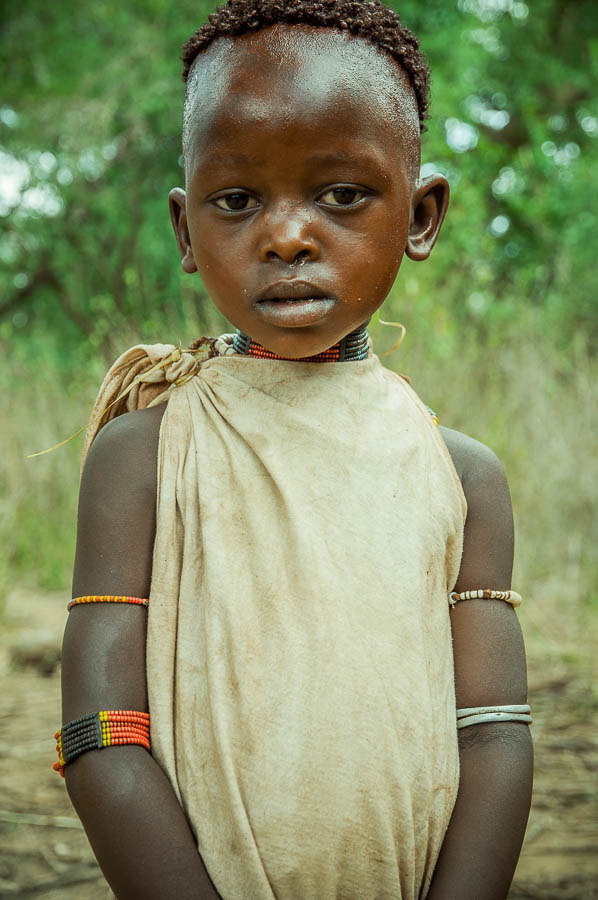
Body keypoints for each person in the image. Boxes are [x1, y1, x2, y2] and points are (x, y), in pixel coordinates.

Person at [57, 1, 533, 897]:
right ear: (185, 230)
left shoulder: (462, 477)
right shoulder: (147, 455)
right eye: (236, 200)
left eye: (341, 194)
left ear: (421, 215)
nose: (285, 235)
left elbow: (494, 733)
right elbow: (102, 730)